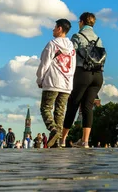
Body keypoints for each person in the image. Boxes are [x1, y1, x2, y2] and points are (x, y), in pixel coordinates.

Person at [62, 13, 104, 149]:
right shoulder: (98, 39)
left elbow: (70, 54)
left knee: (73, 104)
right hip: (98, 76)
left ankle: (62, 139)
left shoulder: (77, 36)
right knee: (88, 107)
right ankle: (85, 141)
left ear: (81, 22)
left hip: (82, 73)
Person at [37, 18, 76, 148]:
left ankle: (53, 129)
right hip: (66, 84)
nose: (53, 29)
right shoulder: (72, 48)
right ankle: (57, 142)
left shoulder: (52, 44)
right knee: (60, 112)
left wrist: (40, 79)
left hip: (52, 81)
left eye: (54, 27)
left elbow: (44, 63)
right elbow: (73, 67)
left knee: (45, 108)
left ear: (60, 29)